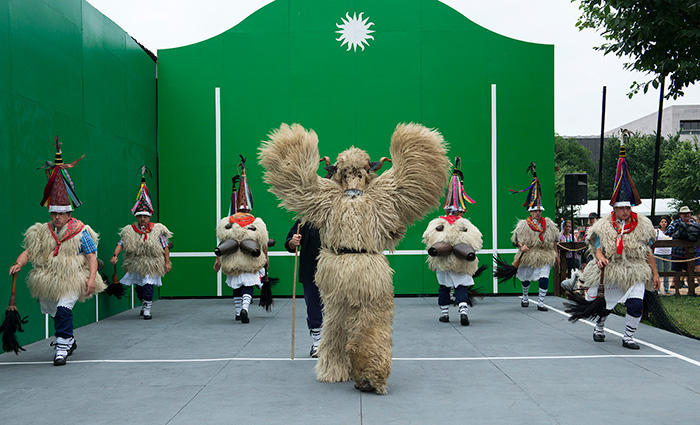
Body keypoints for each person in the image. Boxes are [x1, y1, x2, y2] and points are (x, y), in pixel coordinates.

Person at [8, 138, 105, 365]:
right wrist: (19, 263)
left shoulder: (81, 231)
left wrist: (91, 279)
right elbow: (30, 252)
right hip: (49, 279)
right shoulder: (43, 231)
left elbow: (92, 257)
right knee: (54, 312)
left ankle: (61, 348)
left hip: (72, 278)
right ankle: (69, 339)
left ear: (69, 214)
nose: (57, 217)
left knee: (63, 310)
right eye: (54, 213)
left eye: (61, 214)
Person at [577, 138, 660, 349]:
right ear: (614, 208)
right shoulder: (603, 225)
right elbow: (595, 243)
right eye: (621, 208)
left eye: (627, 208)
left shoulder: (642, 225)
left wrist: (655, 273)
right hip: (611, 268)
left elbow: (648, 250)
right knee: (605, 305)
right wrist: (600, 256)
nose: (625, 211)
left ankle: (628, 337)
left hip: (634, 269)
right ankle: (599, 327)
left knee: (635, 304)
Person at [422, 158, 483, 326]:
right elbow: (475, 242)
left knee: (444, 287)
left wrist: (433, 260)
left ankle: (445, 314)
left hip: (444, 262)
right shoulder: (465, 224)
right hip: (460, 262)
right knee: (461, 286)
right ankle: (463, 310)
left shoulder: (437, 223)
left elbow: (430, 240)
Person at [213, 156, 270, 323]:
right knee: (247, 285)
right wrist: (266, 260)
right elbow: (262, 243)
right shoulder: (256, 222)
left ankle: (239, 311)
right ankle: (244, 308)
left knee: (236, 284)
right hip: (250, 261)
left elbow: (222, 243)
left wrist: (218, 259)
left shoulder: (228, 222)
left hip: (233, 260)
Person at [110, 167, 172, 319]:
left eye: (145, 216)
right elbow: (122, 243)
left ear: (149, 216)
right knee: (139, 287)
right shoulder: (130, 230)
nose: (143, 219)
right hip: (136, 262)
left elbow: (165, 246)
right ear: (137, 217)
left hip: (152, 262)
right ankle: (144, 303)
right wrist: (115, 255)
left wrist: (167, 262)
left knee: (148, 284)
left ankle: (147, 310)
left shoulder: (157, 230)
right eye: (140, 216)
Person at [509, 163, 560, 311]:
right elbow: (516, 240)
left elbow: (554, 240)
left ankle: (541, 302)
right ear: (530, 212)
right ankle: (525, 296)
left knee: (544, 277)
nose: (538, 213)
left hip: (544, 254)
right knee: (526, 278)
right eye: (535, 210)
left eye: (539, 210)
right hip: (528, 254)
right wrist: (521, 245)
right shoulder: (523, 225)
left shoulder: (549, 224)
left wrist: (556, 254)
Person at [285, 220, 323, 357]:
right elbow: (289, 243)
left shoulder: (339, 215)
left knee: (338, 308)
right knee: (313, 307)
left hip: (337, 272)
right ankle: (317, 343)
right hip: (310, 271)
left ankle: (336, 344)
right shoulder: (305, 220)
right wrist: (292, 241)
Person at [665, 206, 700, 293]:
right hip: (677, 252)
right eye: (684, 214)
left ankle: (691, 291)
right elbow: (668, 232)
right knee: (677, 272)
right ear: (680, 215)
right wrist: (679, 227)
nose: (686, 215)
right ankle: (677, 291)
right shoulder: (675, 223)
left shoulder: (694, 224)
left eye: (688, 213)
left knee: (690, 271)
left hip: (691, 252)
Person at [654, 216, 672, 294]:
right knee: (657, 271)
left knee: (666, 271)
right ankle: (657, 289)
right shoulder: (656, 231)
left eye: (665, 222)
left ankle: (666, 288)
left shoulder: (670, 231)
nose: (664, 223)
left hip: (668, 252)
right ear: (659, 223)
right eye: (662, 222)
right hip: (659, 253)